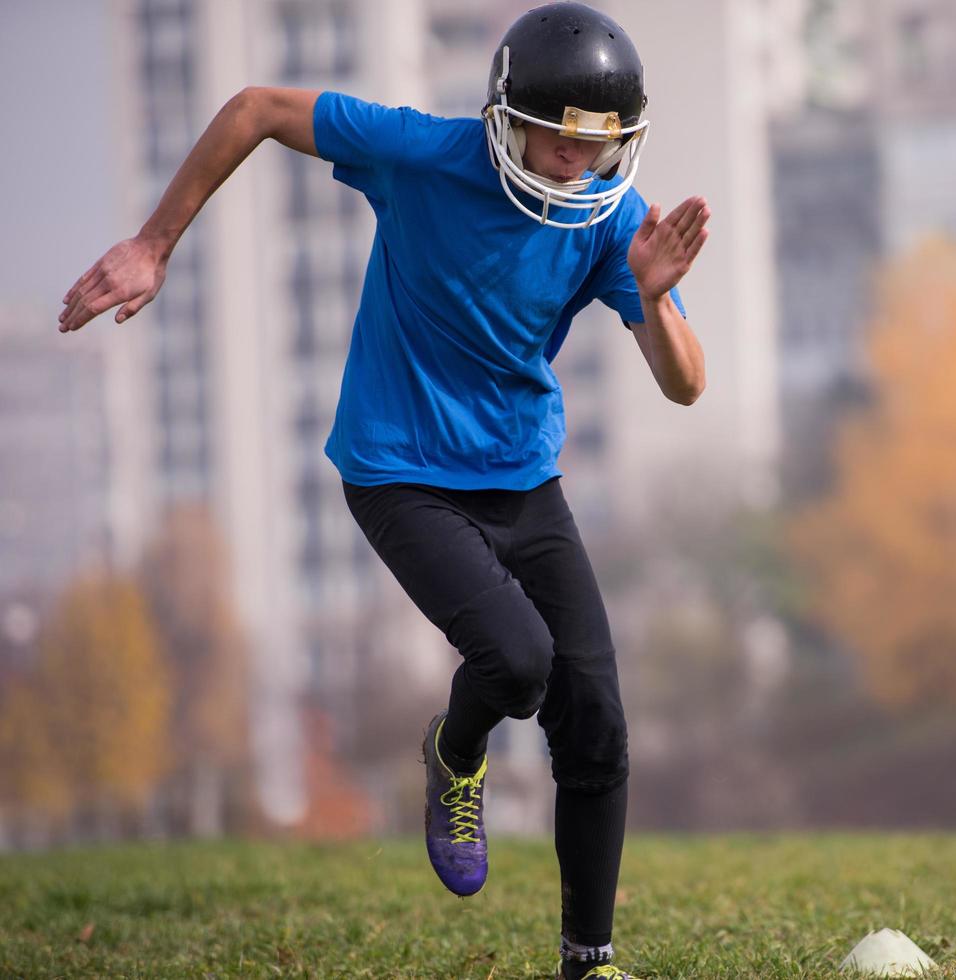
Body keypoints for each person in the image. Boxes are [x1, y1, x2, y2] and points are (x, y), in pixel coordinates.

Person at [57, 5, 707, 979]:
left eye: (599, 147)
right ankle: (456, 750)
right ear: (507, 116)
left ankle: (588, 961)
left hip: (522, 477)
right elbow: (255, 108)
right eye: (561, 142)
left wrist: (652, 296)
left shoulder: (611, 220)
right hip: (398, 470)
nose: (579, 164)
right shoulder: (420, 154)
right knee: (519, 660)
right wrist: (155, 242)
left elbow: (684, 382)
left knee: (598, 720)